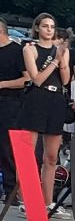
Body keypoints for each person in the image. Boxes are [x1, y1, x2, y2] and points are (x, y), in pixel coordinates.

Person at [17, 13, 71, 219]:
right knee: (29, 153)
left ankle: (48, 202)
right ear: (37, 28)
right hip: (37, 98)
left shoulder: (61, 50)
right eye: (45, 26)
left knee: (51, 156)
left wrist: (62, 60)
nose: (49, 30)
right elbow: (37, 79)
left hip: (56, 99)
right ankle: (26, 199)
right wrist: (55, 61)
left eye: (52, 26)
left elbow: (65, 80)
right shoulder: (29, 49)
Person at [0, 18, 26, 199]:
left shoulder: (17, 51)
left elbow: (26, 79)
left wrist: (3, 84)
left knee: (6, 146)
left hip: (10, 102)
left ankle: (11, 190)